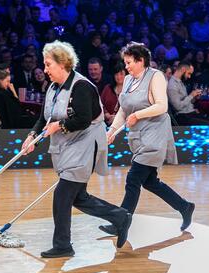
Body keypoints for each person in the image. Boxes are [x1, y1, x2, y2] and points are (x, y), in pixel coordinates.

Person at [20, 41, 132, 258]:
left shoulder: (81, 86)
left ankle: (63, 245)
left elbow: (81, 119)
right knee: (78, 197)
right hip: (69, 144)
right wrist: (32, 137)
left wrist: (58, 126)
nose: (45, 70)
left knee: (63, 194)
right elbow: (45, 117)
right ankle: (120, 217)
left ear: (62, 64)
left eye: (48, 64)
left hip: (86, 143)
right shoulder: (52, 87)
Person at [102, 42, 194, 238]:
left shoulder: (156, 76)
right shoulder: (127, 80)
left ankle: (121, 221)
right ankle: (185, 207)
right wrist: (111, 131)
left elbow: (162, 106)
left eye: (128, 62)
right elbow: (123, 110)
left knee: (133, 179)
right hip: (138, 136)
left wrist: (139, 114)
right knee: (150, 182)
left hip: (155, 135)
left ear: (141, 60)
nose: (125, 66)